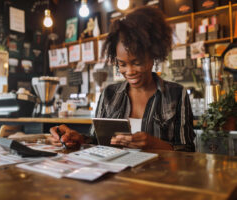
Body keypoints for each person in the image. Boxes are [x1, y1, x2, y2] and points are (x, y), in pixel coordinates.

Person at [49, 6, 195, 152]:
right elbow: (96, 141)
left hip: (158, 174)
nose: (130, 71)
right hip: (116, 173)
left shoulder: (176, 94)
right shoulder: (109, 94)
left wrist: (154, 145)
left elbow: (187, 151)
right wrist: (79, 139)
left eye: (137, 63)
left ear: (153, 55)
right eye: (122, 64)